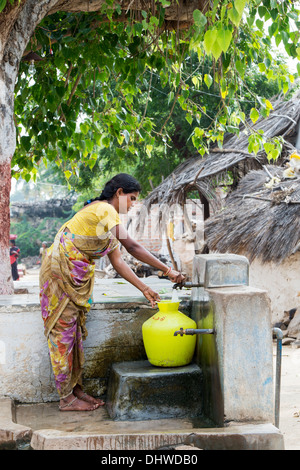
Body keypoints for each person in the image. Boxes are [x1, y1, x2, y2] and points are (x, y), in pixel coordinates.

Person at [39, 173, 185, 412]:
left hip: (72, 277)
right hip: (60, 276)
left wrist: (145, 288)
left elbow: (118, 261)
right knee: (63, 335)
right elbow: (133, 247)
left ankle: (75, 391)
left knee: (73, 335)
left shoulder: (106, 219)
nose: (134, 204)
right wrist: (168, 271)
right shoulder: (105, 210)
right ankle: (66, 399)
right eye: (132, 198)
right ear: (118, 193)